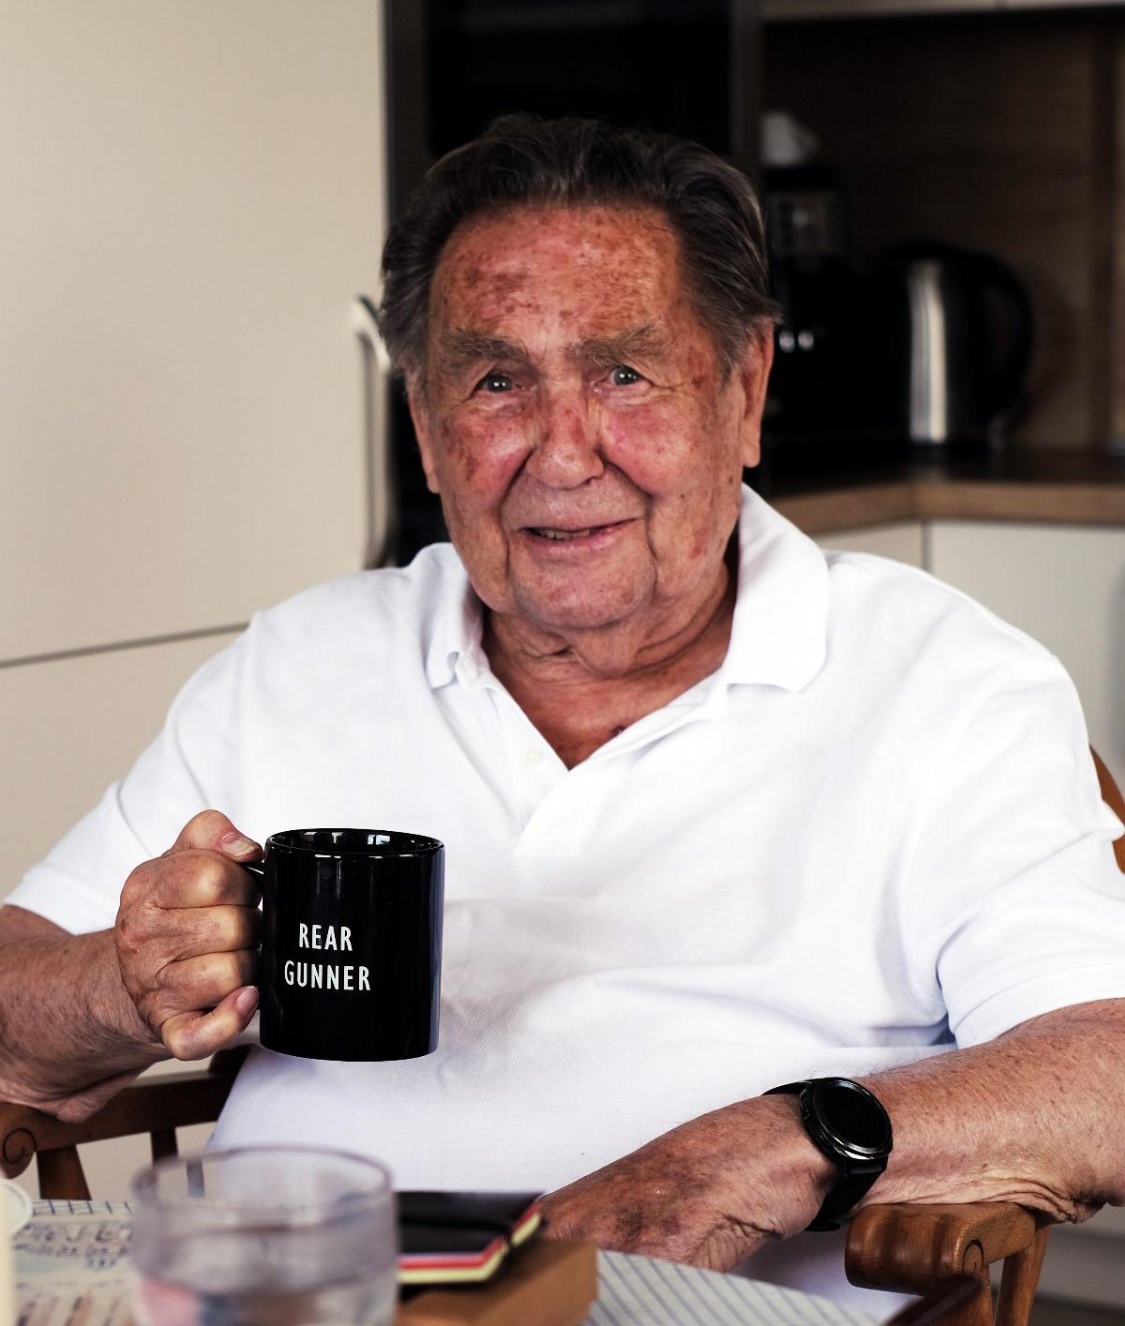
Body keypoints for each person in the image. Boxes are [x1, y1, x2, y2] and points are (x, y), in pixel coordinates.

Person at [3, 115, 1125, 1305]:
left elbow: (1105, 1069)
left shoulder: (944, 683)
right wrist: (128, 982)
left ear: (745, 388)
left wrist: (760, 1155)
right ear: (426, 423)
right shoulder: (302, 658)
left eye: (624, 375)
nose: (563, 452)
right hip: (294, 1298)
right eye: (496, 383)